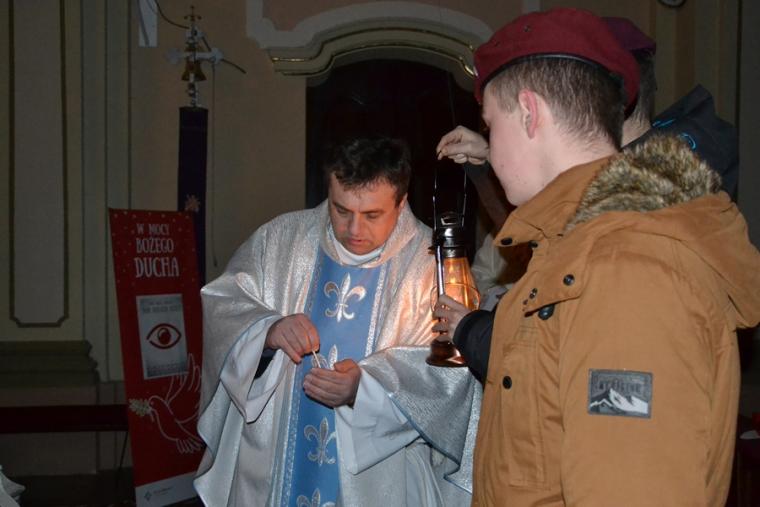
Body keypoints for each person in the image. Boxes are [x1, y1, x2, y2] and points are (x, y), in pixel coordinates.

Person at [438, 7, 760, 505]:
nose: (492, 150)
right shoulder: (570, 248)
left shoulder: (627, 270)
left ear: (529, 112)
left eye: (492, 126)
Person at [436, 15, 741, 381]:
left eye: (492, 124)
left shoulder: (631, 248)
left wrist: (470, 330)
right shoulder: (618, 215)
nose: (490, 138)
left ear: (532, 112)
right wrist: (491, 159)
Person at [193, 137, 471, 506]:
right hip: (275, 456)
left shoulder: (433, 266)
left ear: (401, 202)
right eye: (341, 210)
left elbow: (448, 377)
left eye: (372, 215)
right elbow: (224, 302)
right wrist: (268, 330)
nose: (354, 229)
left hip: (378, 476)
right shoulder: (282, 238)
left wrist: (365, 390)